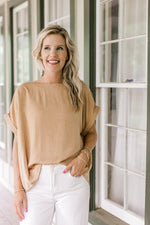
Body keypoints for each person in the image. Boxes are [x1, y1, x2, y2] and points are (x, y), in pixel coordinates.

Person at [4, 25, 100, 225]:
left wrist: (84, 155)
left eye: (59, 48)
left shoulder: (80, 90)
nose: (53, 54)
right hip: (35, 183)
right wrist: (18, 189)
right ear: (40, 53)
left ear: (67, 54)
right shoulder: (25, 92)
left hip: (72, 180)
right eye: (47, 48)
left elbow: (90, 133)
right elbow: (18, 144)